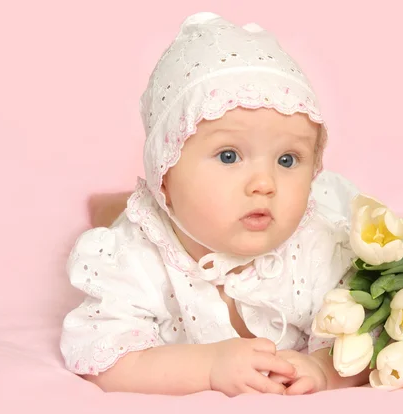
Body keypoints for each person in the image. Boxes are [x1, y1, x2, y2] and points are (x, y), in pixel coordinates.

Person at [60, 11, 367, 397]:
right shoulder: (135, 256)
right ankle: (115, 205)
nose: (264, 184)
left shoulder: (320, 246)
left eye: (287, 160)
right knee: (122, 221)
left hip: (332, 209)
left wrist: (323, 369)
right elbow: (105, 357)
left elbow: (368, 330)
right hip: (161, 222)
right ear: (164, 172)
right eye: (228, 156)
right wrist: (208, 367)